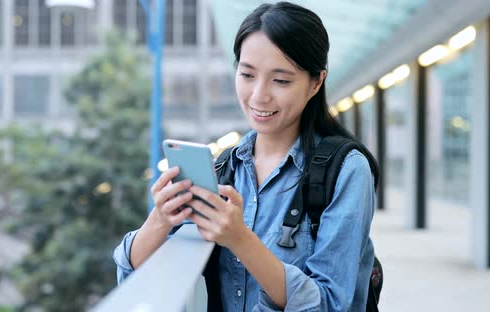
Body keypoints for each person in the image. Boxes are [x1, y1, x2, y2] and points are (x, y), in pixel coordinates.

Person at [113, 2, 378, 311]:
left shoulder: (346, 171)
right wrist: (159, 221)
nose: (258, 95)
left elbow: (331, 304)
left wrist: (240, 239)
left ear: (316, 82)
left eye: (280, 80)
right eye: (247, 74)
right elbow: (133, 276)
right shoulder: (224, 170)